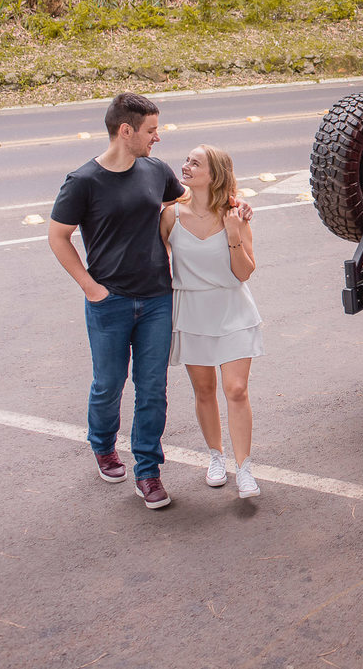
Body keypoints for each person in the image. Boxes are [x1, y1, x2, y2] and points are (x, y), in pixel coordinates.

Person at [49, 92, 184, 510]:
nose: (157, 138)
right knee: (108, 385)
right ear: (126, 131)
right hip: (110, 301)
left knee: (153, 390)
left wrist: (234, 206)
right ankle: (104, 445)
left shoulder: (156, 170)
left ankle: (148, 472)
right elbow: (58, 236)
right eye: (150, 130)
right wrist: (92, 289)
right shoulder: (84, 181)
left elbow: (185, 205)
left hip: (158, 298)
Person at [160, 144, 264, 498]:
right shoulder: (171, 215)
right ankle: (215, 456)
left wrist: (234, 234)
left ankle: (244, 468)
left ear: (214, 174)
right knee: (204, 390)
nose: (185, 166)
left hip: (232, 307)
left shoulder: (235, 214)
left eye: (195, 163)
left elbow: (245, 273)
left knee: (236, 389)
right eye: (186, 159)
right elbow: (153, 258)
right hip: (191, 310)